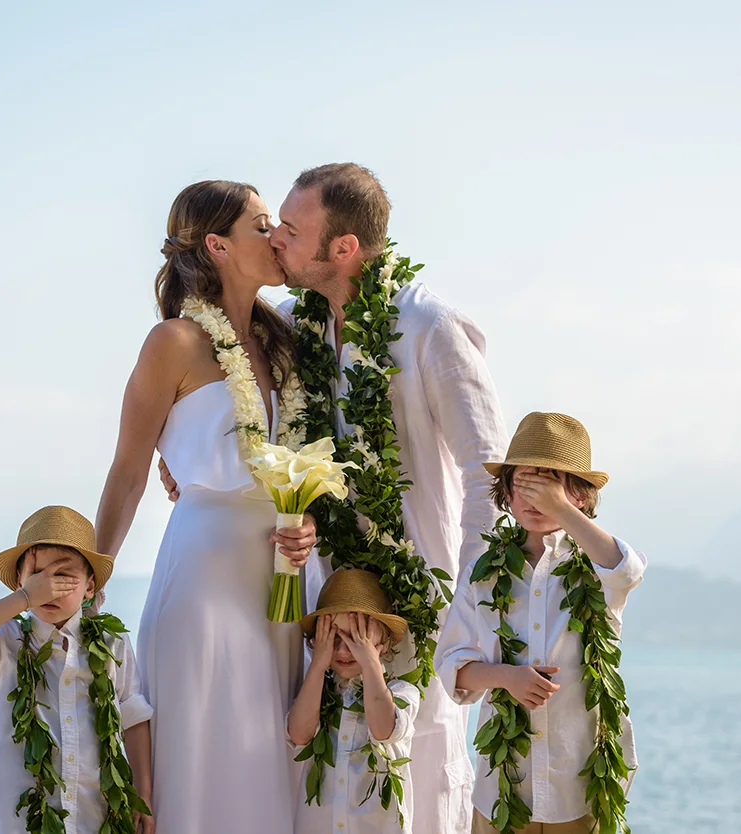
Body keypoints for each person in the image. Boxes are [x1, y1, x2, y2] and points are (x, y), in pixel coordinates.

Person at [272, 162, 510, 834]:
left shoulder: (428, 326)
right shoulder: (295, 325)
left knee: (425, 784)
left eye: (294, 229)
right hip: (321, 606)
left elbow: (486, 474)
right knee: (321, 785)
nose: (278, 241)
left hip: (423, 606)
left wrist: (466, 605)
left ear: (343, 249)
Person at [94, 180, 313, 834]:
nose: (276, 236)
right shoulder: (175, 344)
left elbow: (301, 467)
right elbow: (130, 470)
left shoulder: (286, 346)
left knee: (264, 759)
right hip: (203, 579)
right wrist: (93, 583)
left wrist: (302, 523)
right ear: (218, 245)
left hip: (278, 585)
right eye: (261, 224)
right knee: (200, 760)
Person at [436, 413, 646, 833]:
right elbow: (452, 663)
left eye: (549, 484)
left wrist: (559, 509)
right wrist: (506, 677)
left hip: (580, 780)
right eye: (523, 483)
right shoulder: (485, 571)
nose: (534, 498)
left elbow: (627, 570)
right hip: (504, 786)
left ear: (580, 496)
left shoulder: (593, 567)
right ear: (507, 492)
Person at [0, 505, 153, 834]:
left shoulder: (113, 642)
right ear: (19, 583)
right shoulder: (7, 641)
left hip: (98, 821)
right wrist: (25, 598)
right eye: (38, 576)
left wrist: (144, 795)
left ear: (89, 587)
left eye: (63, 576)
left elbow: (133, 716)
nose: (49, 588)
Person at [289, 568, 420, 834]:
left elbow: (382, 728)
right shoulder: (317, 694)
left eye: (357, 638)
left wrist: (370, 663)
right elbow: (299, 735)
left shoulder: (402, 693)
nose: (343, 650)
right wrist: (317, 665)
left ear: (382, 643)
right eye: (334, 638)